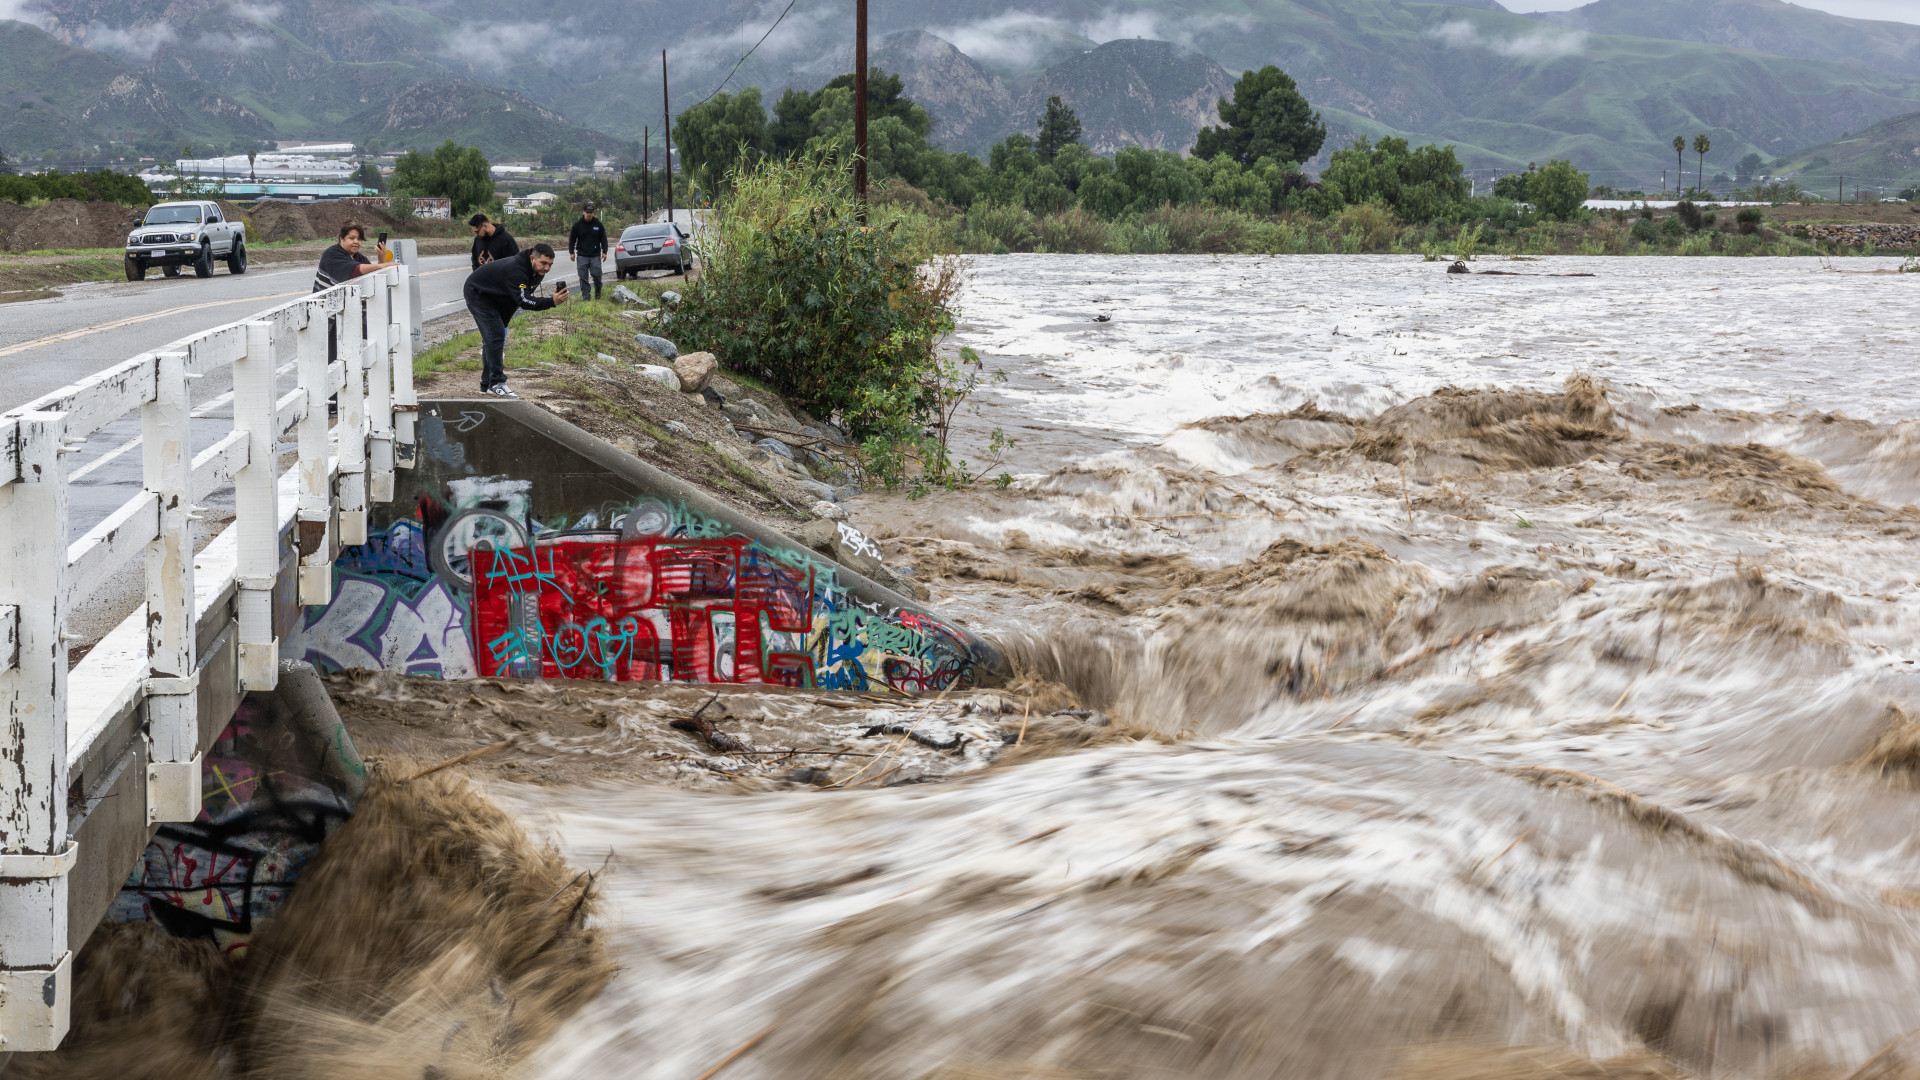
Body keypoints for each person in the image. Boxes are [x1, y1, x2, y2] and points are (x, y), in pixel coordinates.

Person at [463, 243, 568, 398]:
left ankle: (485, 385)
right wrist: (551, 302)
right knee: (495, 337)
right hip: (478, 294)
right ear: (532, 258)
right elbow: (524, 301)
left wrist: (503, 321)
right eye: (544, 263)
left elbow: (516, 300)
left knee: (493, 338)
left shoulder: (536, 271)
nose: (547, 268)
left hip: (497, 297)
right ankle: (497, 383)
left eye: (550, 265)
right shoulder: (516, 271)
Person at [567, 202, 609, 300]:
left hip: (595, 256)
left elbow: (603, 239)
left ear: (593, 213)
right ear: (583, 212)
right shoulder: (577, 225)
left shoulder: (598, 224)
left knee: (597, 275)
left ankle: (598, 294)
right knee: (583, 277)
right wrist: (571, 252)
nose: (589, 214)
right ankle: (586, 297)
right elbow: (572, 239)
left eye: (591, 212)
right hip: (582, 255)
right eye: (587, 212)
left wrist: (605, 251)